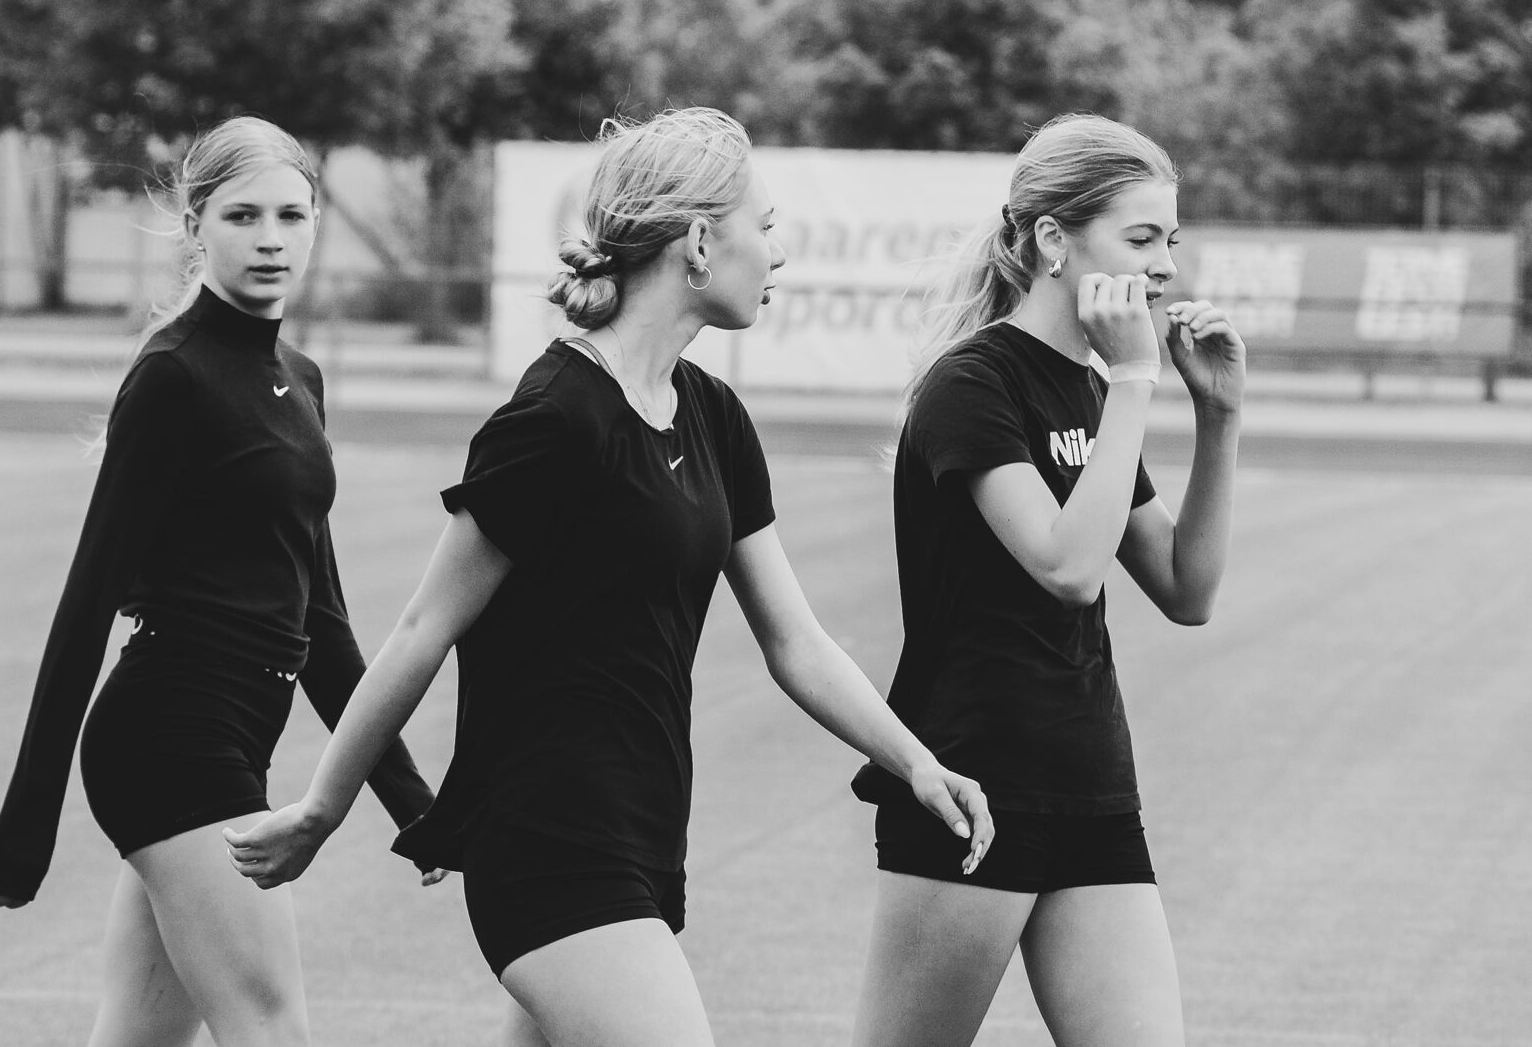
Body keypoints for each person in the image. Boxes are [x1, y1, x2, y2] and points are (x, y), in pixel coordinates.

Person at [223, 106, 997, 1047]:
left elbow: (794, 640)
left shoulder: (714, 415)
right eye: (765, 226)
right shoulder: (555, 419)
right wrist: (323, 808)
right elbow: (425, 627)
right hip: (546, 841)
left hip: (645, 835)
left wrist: (915, 760)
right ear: (700, 243)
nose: (780, 252)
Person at [0, 116, 435, 1047]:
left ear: (315, 224)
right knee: (271, 1028)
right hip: (170, 741)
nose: (270, 238)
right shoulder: (172, 375)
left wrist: (411, 799)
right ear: (195, 226)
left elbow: (321, 620)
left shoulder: (302, 379)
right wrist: (27, 823)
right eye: (242, 215)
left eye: (291, 215)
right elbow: (87, 599)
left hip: (228, 738)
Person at [847, 113, 1245, 1047]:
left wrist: (1219, 417)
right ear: (1055, 240)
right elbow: (1067, 566)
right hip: (974, 788)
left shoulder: (1091, 386)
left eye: (1170, 240)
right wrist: (1136, 378)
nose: (1165, 267)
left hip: (1092, 788)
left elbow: (1186, 589)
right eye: (1141, 239)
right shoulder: (974, 384)